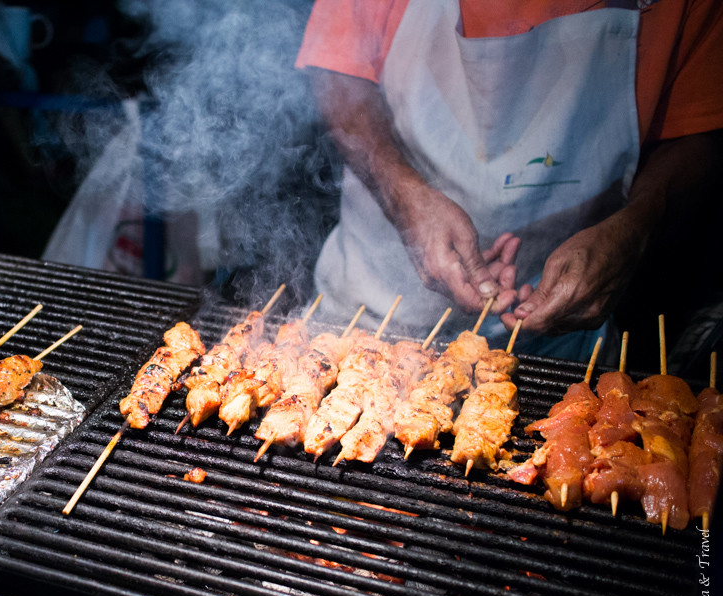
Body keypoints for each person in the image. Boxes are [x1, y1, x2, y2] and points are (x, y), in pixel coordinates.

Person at [296, 0, 723, 359]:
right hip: (369, 318)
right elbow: (336, 71)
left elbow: (697, 130)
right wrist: (402, 194)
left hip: (561, 342)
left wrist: (640, 224)